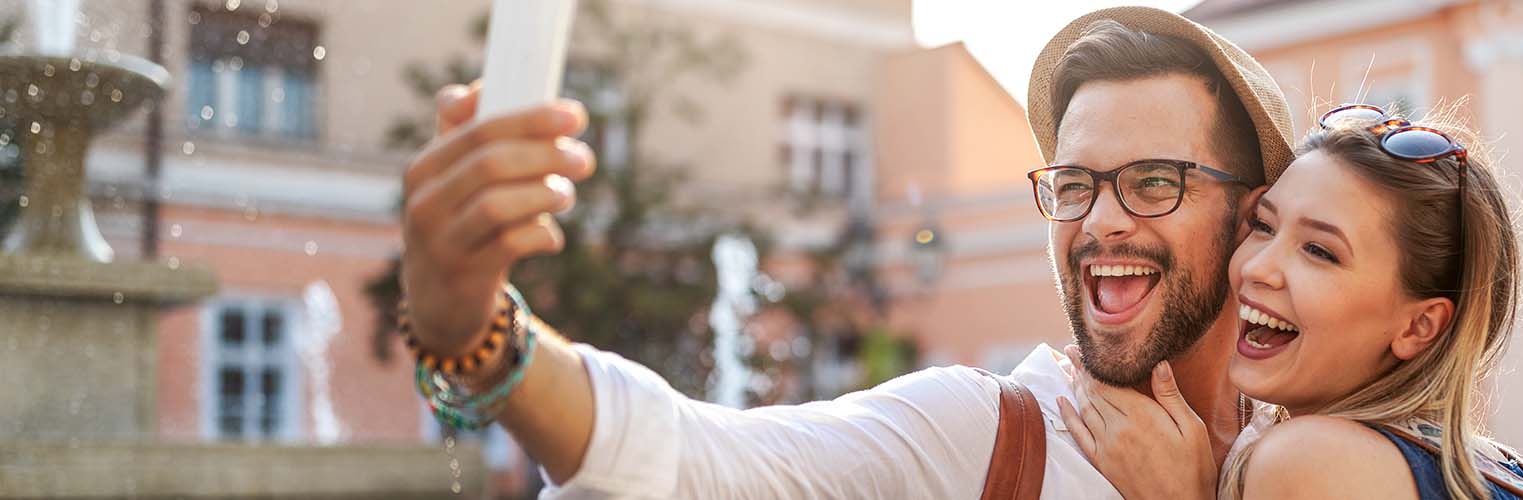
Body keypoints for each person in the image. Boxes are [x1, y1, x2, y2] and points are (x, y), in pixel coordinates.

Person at [395, 7, 1298, 498]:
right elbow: (700, 461)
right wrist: (477, 332)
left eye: (1153, 182)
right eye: (1073, 185)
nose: (1099, 223)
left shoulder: (1327, 442)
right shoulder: (983, 432)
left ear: (1253, 220)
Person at [1057, 103, 1523, 500]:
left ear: (1418, 327)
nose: (1255, 267)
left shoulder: (1308, 461)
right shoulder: (1502, 469)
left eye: (1319, 251)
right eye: (1264, 225)